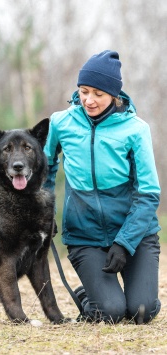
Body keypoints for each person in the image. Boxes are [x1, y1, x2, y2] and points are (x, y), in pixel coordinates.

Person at [44, 50, 161, 324]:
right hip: (85, 236)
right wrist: (44, 209)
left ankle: (123, 289)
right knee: (109, 312)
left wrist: (125, 242)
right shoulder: (61, 123)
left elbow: (148, 194)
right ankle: (91, 296)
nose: (88, 100)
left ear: (113, 94)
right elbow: (43, 167)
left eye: (97, 93)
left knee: (143, 311)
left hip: (135, 236)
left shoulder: (136, 129)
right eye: (83, 91)